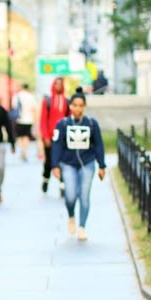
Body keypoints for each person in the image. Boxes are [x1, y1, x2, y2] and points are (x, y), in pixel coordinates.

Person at [51, 91, 106, 241]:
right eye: (75, 105)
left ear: (84, 107)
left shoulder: (92, 124)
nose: (78, 109)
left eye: (81, 105)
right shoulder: (62, 124)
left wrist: (102, 165)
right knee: (70, 195)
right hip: (68, 164)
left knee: (84, 195)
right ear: (70, 106)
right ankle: (71, 216)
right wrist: (55, 165)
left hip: (87, 164)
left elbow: (99, 145)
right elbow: (56, 145)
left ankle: (82, 227)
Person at [39, 77, 70, 195]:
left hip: (62, 137)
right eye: (56, 84)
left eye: (60, 84)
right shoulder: (47, 101)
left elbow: (69, 118)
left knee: (63, 161)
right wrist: (45, 136)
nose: (58, 86)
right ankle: (45, 179)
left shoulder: (66, 101)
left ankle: (62, 184)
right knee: (49, 161)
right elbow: (43, 120)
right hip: (50, 136)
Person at [11, 83, 39, 162]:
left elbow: (13, 107)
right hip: (29, 120)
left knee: (20, 137)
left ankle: (22, 151)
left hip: (19, 119)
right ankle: (25, 152)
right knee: (26, 137)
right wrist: (35, 121)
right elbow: (34, 109)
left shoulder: (17, 96)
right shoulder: (31, 96)